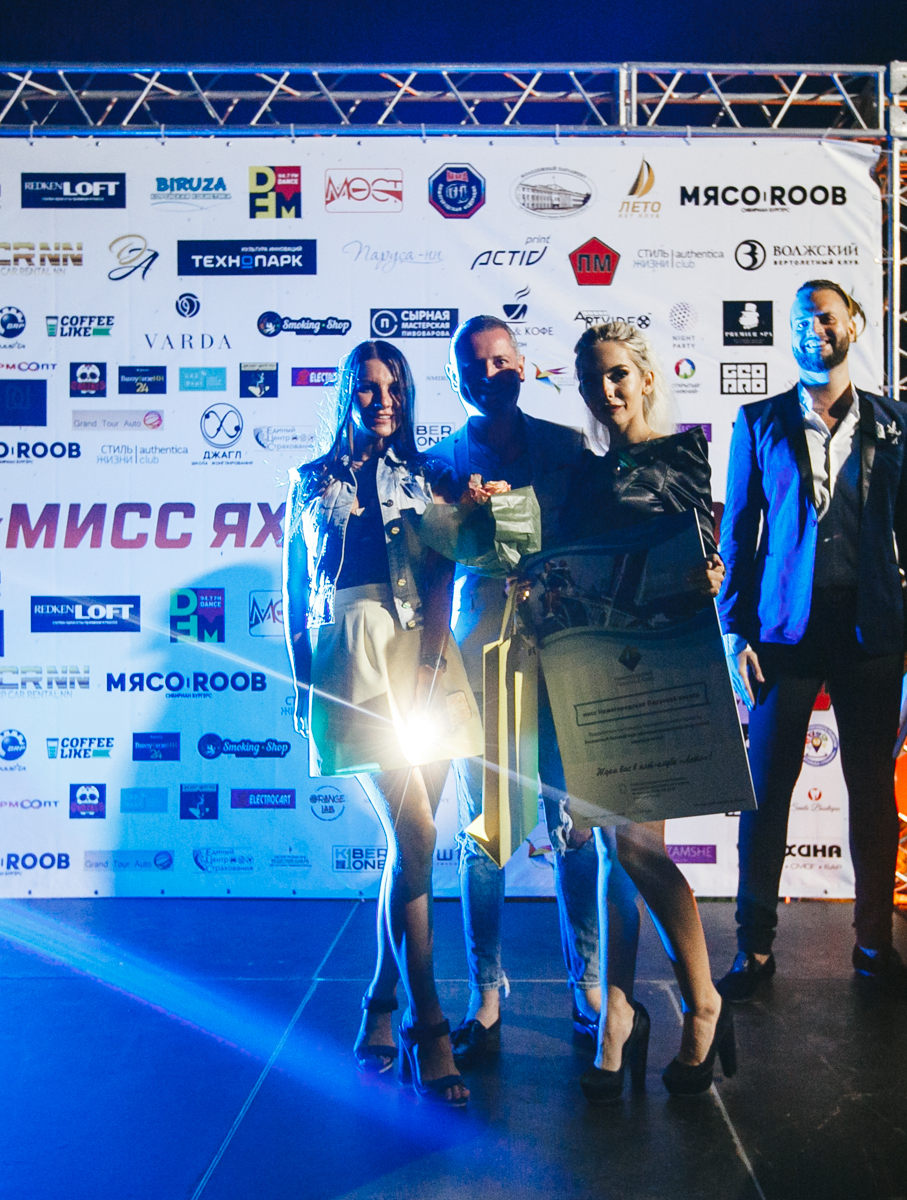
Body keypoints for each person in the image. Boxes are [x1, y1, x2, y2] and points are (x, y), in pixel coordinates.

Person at [716, 279, 907, 1005]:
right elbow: (738, 535)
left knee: (873, 792)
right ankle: (754, 948)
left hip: (870, 628)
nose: (812, 329)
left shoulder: (896, 421)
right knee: (766, 793)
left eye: (824, 316)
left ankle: (875, 947)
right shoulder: (758, 420)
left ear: (855, 323)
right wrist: (732, 628)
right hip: (781, 634)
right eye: (799, 321)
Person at [284, 340, 491, 1106]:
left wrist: (433, 665)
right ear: (347, 393)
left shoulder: (430, 475)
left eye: (394, 387)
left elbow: (445, 575)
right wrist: (304, 686)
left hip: (424, 658)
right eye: (369, 388)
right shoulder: (309, 480)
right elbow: (294, 592)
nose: (383, 400)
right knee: (418, 838)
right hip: (352, 663)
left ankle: (380, 1001)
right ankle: (427, 1022)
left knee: (411, 848)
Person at [561, 320, 734, 1101]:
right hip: (593, 669)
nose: (607, 390)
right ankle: (618, 1018)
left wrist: (710, 573)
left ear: (647, 377)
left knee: (634, 846)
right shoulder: (581, 475)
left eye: (619, 374)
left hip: (663, 666)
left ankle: (702, 1005)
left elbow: (702, 557)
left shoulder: (682, 457)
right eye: (594, 378)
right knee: (612, 851)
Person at [428, 315, 605, 1064]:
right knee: (485, 833)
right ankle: (486, 992)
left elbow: (599, 544)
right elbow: (427, 575)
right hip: (481, 657)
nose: (490, 374)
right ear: (455, 378)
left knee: (575, 826)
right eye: (474, 365)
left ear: (524, 366)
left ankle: (588, 985)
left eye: (502, 360)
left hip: (564, 652)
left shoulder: (567, 448)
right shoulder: (438, 463)